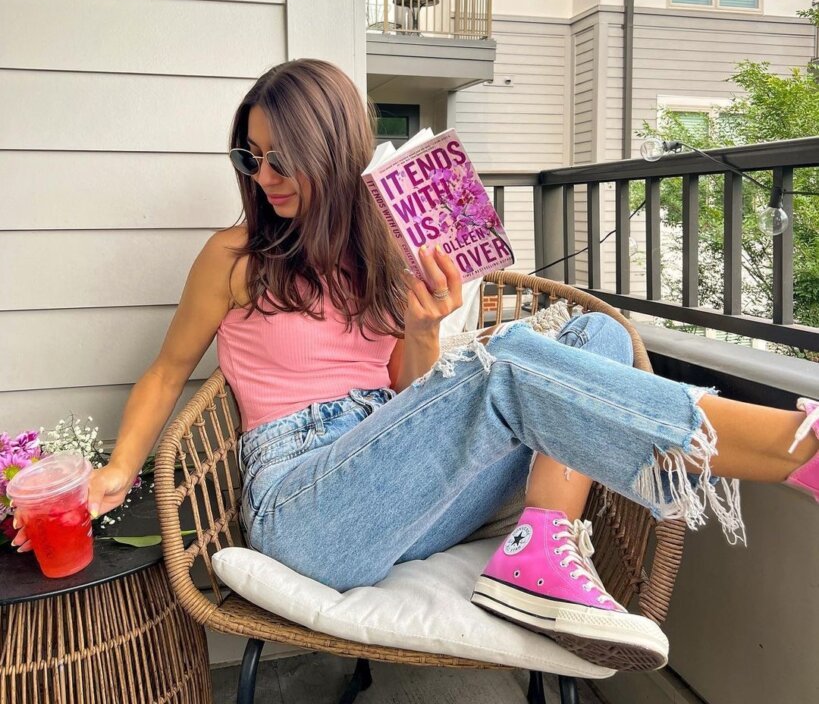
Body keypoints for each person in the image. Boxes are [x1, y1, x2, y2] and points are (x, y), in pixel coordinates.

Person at [12, 59, 819, 672]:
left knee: (595, 337)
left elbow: (406, 389)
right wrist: (116, 470)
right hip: (305, 504)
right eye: (249, 157)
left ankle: (540, 545)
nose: (263, 178)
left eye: (281, 158)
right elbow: (165, 371)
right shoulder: (235, 256)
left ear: (333, 151)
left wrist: (426, 325)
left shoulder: (382, 253)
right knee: (509, 363)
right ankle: (797, 450)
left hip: (403, 484)